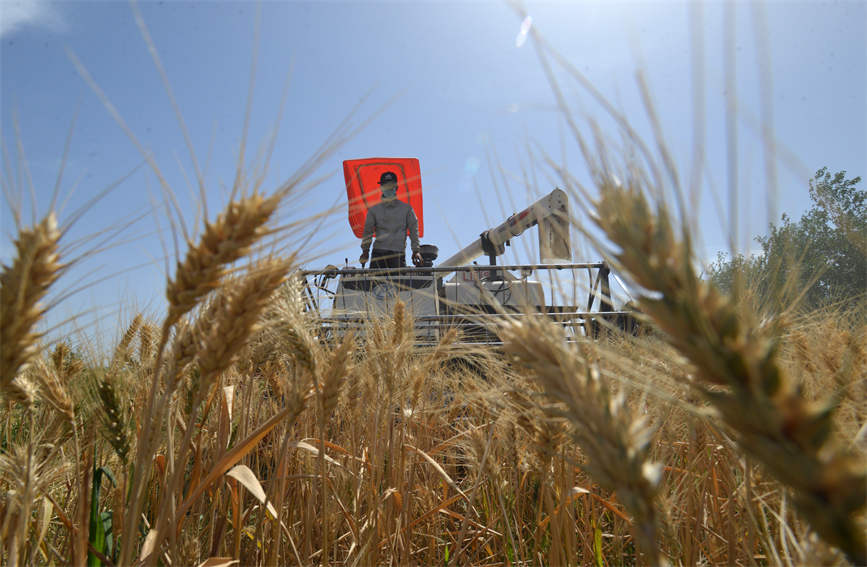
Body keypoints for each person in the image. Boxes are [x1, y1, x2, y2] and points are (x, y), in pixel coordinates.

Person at [359, 171, 422, 269]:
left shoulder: (406, 209)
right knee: (375, 284)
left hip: (397, 255)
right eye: (385, 186)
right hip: (378, 255)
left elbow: (414, 230)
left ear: (396, 187)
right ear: (381, 188)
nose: (388, 188)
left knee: (399, 284)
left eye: (390, 185)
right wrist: (365, 251)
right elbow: (368, 232)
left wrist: (416, 251)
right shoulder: (374, 210)